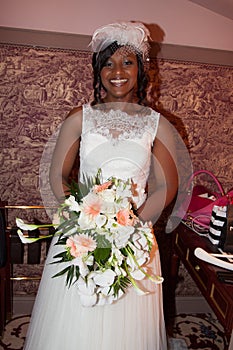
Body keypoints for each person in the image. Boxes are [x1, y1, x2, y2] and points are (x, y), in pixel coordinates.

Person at [24, 22, 178, 350]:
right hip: (81, 233)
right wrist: (84, 220)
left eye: (127, 62)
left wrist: (132, 227)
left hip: (135, 237)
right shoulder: (79, 117)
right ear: (97, 70)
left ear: (141, 69)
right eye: (107, 63)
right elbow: (57, 175)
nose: (117, 71)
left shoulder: (158, 124)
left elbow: (166, 186)